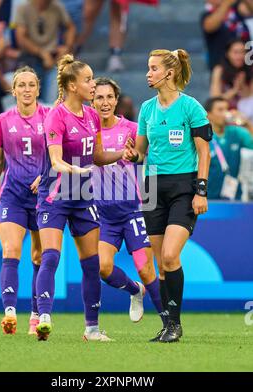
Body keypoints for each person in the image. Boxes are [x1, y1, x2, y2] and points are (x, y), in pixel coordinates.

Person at [123, 49, 213, 343]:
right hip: (150, 187)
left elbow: (204, 152)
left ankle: (175, 324)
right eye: (148, 68)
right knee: (161, 262)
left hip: (183, 187)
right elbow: (140, 153)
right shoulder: (147, 109)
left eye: (153, 68)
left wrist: (201, 190)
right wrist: (131, 154)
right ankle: (168, 325)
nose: (148, 73)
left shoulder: (191, 108)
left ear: (169, 73)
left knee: (171, 255)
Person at [35, 54, 125, 341]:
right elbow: (56, 160)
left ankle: (92, 329)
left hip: (84, 197)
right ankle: (44, 317)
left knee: (91, 264)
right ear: (73, 86)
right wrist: (75, 170)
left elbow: (97, 156)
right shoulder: (55, 116)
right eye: (88, 79)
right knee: (50, 256)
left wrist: (122, 154)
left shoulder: (92, 116)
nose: (93, 84)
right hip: (56, 196)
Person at [92, 77, 167, 333]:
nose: (105, 102)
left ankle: (169, 324)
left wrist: (137, 155)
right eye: (99, 97)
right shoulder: (87, 131)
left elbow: (147, 154)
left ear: (117, 100)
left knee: (146, 269)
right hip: (103, 213)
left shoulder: (131, 128)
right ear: (92, 101)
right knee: (103, 268)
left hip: (132, 209)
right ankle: (135, 291)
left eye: (109, 97)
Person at [0, 66, 50, 335]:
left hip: (43, 197)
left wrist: (46, 177)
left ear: (38, 89)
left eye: (32, 85)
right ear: (14, 89)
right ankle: (9, 313)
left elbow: (57, 155)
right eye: (22, 85)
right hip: (13, 195)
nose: (27, 89)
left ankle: (34, 315)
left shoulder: (50, 117)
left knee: (39, 256)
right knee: (10, 251)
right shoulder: (3, 120)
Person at [15, 0, 76, 104]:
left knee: (51, 102)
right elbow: (20, 38)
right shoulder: (24, 8)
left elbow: (70, 27)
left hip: (53, 58)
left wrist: (67, 47)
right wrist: (41, 53)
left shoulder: (57, 7)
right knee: (29, 101)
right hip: (30, 59)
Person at [205, 96, 253, 200]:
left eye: (227, 109)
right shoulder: (202, 137)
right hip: (209, 197)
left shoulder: (237, 132)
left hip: (234, 197)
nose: (225, 113)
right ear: (208, 115)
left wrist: (247, 123)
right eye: (220, 110)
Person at [201, 0, 253, 70]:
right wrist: (227, 3)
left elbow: (250, 9)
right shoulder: (207, 15)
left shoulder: (237, 10)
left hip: (246, 67)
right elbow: (209, 26)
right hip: (223, 70)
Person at [210, 38, 253, 110]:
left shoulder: (250, 70)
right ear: (227, 54)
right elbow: (215, 100)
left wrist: (242, 85)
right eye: (235, 52)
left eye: (243, 52)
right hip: (225, 112)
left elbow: (250, 98)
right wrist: (234, 90)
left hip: (245, 113)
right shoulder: (219, 70)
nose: (239, 56)